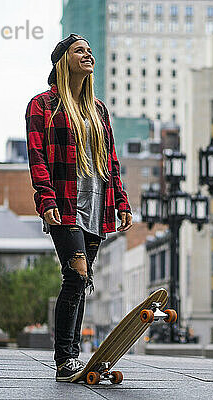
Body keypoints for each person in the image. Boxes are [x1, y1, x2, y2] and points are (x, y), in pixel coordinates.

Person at [25, 33, 133, 382]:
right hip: (64, 204)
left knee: (82, 280)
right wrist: (45, 198)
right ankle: (65, 358)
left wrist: (121, 202)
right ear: (63, 60)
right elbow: (37, 157)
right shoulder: (42, 105)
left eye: (90, 50)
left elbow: (111, 161)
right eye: (80, 51)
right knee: (76, 275)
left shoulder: (98, 109)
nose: (89, 55)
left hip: (95, 204)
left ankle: (74, 356)